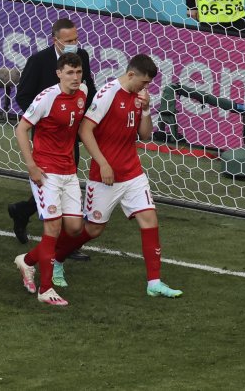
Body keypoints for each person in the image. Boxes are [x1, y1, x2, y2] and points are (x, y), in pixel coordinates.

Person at [52, 54, 183, 298]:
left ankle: (154, 282)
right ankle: (56, 259)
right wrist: (103, 164)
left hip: (133, 173)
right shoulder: (107, 93)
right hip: (105, 176)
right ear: (131, 74)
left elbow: (145, 136)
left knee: (150, 221)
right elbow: (85, 130)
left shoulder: (138, 96)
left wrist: (146, 109)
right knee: (93, 230)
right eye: (144, 82)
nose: (146, 87)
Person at [8, 18, 96, 250]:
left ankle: (23, 211)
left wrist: (83, 117)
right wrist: (42, 120)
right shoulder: (38, 61)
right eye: (68, 40)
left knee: (64, 178)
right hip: (47, 132)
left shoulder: (82, 56)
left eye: (76, 39)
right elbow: (23, 95)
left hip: (71, 130)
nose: (73, 44)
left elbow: (89, 89)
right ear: (55, 40)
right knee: (51, 179)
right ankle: (61, 246)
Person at [12, 53, 88, 307]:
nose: (75, 77)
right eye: (70, 73)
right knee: (52, 229)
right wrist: (31, 166)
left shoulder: (83, 93)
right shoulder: (46, 98)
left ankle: (27, 261)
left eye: (78, 72)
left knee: (74, 228)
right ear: (59, 74)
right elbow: (21, 129)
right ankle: (46, 289)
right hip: (46, 172)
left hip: (69, 170)